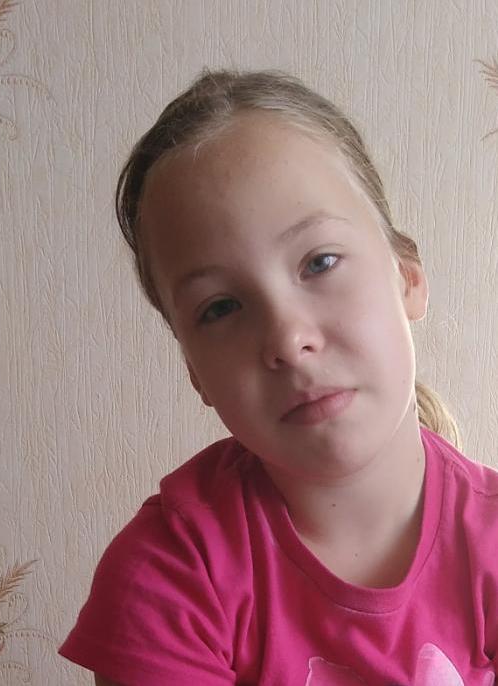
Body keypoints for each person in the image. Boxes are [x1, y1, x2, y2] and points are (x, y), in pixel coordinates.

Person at [59, 69, 498, 685]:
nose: (289, 341)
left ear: (407, 278)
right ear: (194, 371)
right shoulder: (169, 575)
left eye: (320, 262)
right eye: (221, 307)